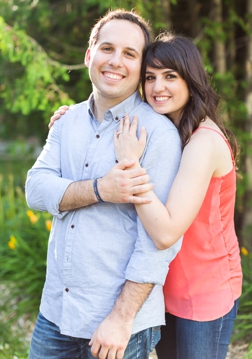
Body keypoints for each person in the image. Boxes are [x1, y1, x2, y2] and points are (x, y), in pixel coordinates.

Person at [52, 33, 242, 358]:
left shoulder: (204, 142)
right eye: (150, 77)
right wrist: (73, 120)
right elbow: (102, 121)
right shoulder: (166, 129)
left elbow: (166, 232)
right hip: (164, 285)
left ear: (191, 79)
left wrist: (130, 165)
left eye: (170, 76)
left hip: (203, 289)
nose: (158, 88)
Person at [25, 9, 183, 359]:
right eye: (107, 48)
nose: (115, 61)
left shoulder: (157, 134)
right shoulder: (66, 122)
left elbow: (158, 243)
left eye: (129, 54)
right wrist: (100, 189)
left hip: (119, 326)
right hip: (56, 313)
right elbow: (35, 189)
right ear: (89, 54)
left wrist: (121, 317)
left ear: (141, 67)